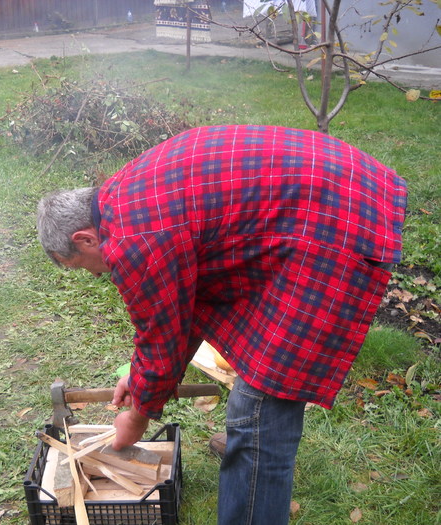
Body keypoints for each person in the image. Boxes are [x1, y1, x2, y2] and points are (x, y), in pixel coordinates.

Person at [36, 125, 407, 525]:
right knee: (257, 375)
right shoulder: (121, 196)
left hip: (336, 218)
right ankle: (250, 445)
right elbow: (179, 314)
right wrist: (142, 381)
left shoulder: (135, 237)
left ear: (85, 239)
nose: (97, 275)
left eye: (84, 268)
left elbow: (162, 332)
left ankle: (255, 452)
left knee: (262, 399)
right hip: (336, 188)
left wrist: (136, 415)